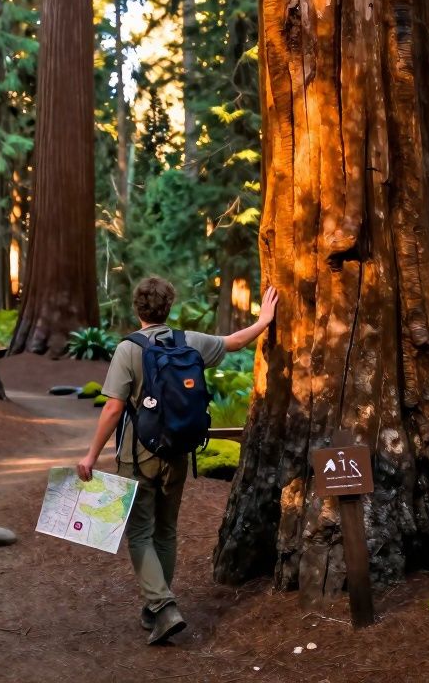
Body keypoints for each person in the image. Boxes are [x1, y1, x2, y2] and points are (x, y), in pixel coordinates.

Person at [77, 276, 278, 644]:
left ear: (137, 308)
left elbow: (114, 408)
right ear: (168, 307)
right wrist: (263, 321)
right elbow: (233, 342)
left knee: (139, 534)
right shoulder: (190, 342)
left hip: (137, 456)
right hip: (178, 453)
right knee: (166, 531)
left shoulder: (129, 349)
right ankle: (155, 608)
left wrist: (91, 454)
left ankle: (164, 606)